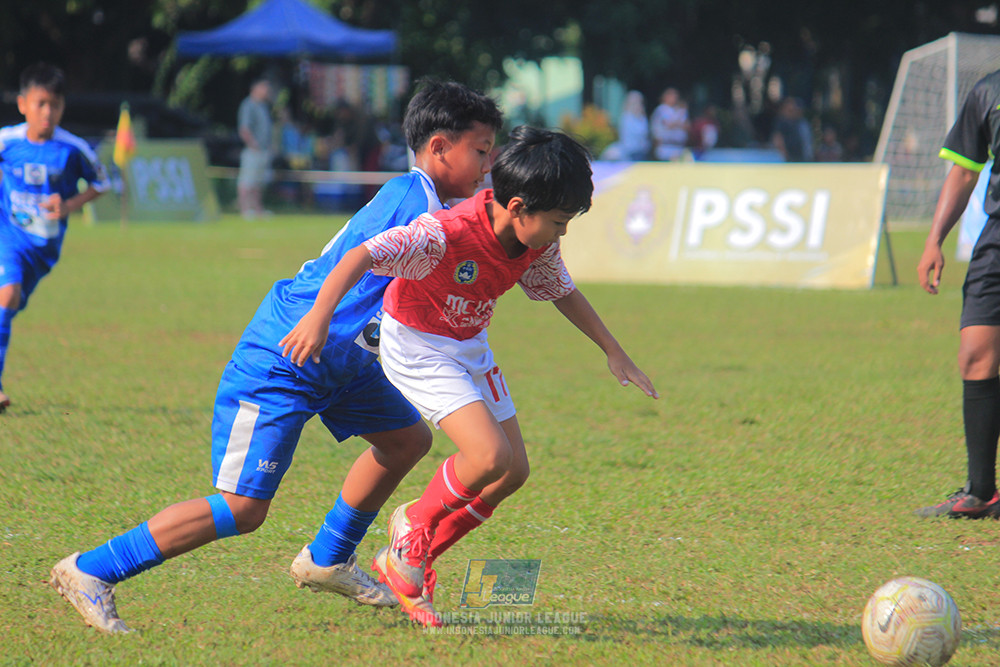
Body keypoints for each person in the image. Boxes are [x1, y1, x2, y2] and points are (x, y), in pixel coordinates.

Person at [50, 80, 504, 633]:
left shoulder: (430, 204)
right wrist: (317, 318)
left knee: (407, 438)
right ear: (438, 147)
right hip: (287, 353)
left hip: (339, 358)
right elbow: (356, 261)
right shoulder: (412, 199)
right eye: (481, 151)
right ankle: (91, 570)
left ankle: (328, 557)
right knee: (243, 510)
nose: (489, 163)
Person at [279, 126, 660, 626]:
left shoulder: (534, 242)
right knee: (486, 456)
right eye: (559, 222)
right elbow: (361, 255)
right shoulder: (446, 232)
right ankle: (413, 526)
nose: (561, 233)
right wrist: (319, 316)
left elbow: (561, 290)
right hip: (417, 346)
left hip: (469, 345)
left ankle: (410, 559)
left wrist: (614, 351)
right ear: (519, 206)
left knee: (511, 473)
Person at [0, 62, 110, 413]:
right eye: (41, 103)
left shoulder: (73, 148)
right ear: (23, 104)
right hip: (8, 236)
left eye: (56, 105)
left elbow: (102, 183)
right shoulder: (7, 141)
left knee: (9, 305)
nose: (48, 113)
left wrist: (69, 205)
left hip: (44, 248)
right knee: (7, 295)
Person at [915, 69, 1000, 519]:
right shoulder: (989, 90)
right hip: (998, 238)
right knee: (974, 353)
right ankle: (981, 492)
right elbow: (965, 169)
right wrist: (935, 239)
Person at [237, 79, 273, 219]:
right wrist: (253, 145)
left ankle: (258, 210)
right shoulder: (248, 105)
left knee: (258, 182)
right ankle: (245, 210)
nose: (266, 91)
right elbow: (244, 129)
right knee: (247, 181)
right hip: (253, 151)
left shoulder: (263, 106)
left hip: (264, 150)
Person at [603, 90, 650, 161]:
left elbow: (645, 134)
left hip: (642, 151)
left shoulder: (642, 118)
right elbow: (636, 133)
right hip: (630, 152)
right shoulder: (626, 117)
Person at [650, 87, 689, 161]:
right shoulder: (661, 109)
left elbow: (686, 126)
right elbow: (669, 124)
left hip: (678, 147)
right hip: (665, 147)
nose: (674, 97)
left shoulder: (678, 110)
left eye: (676, 95)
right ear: (665, 97)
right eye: (672, 95)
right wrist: (680, 119)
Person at [771, 97, 813, 162]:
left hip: (799, 156)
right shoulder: (781, 122)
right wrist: (784, 154)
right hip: (787, 157)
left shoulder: (799, 122)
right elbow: (778, 139)